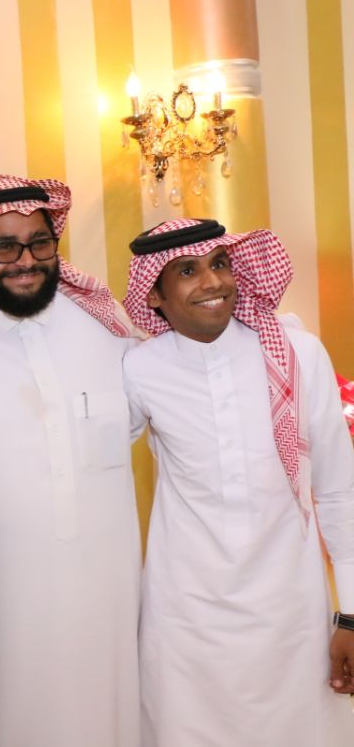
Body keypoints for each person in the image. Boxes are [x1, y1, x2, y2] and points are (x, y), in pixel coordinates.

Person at [0, 175, 140, 746]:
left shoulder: (105, 326)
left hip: (106, 589)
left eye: (40, 242)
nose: (25, 260)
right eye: (4, 247)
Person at [123, 218, 354, 746]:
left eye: (220, 264)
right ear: (154, 295)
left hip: (292, 611)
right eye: (187, 271)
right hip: (185, 617)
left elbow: (339, 491)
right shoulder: (139, 370)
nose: (213, 282)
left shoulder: (299, 354)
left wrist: (351, 614)